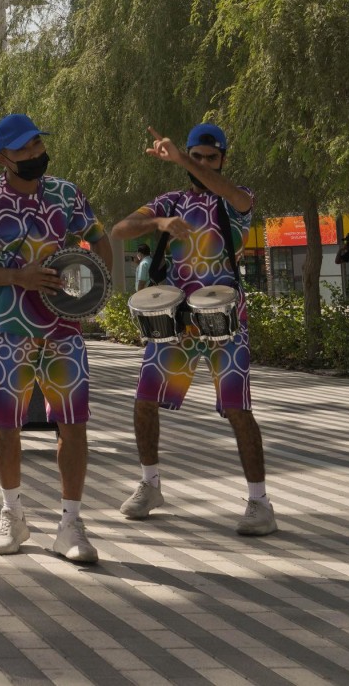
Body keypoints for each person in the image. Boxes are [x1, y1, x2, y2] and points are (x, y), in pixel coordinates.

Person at [0, 114, 112, 565]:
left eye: (37, 144)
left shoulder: (66, 194)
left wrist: (96, 290)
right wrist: (15, 277)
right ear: (2, 158)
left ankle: (71, 524)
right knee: (6, 426)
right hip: (6, 329)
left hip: (64, 330)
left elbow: (98, 239)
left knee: (73, 423)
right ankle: (12, 514)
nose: (34, 154)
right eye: (23, 150)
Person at [108, 123, 276, 537]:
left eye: (210, 158)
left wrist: (181, 159)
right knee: (145, 400)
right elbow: (119, 230)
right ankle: (150, 485)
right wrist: (159, 224)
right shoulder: (172, 202)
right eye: (195, 157)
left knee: (238, 409)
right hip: (177, 321)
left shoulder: (237, 203)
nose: (202, 165)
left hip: (225, 321)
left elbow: (230, 191)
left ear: (222, 160)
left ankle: (260, 502)